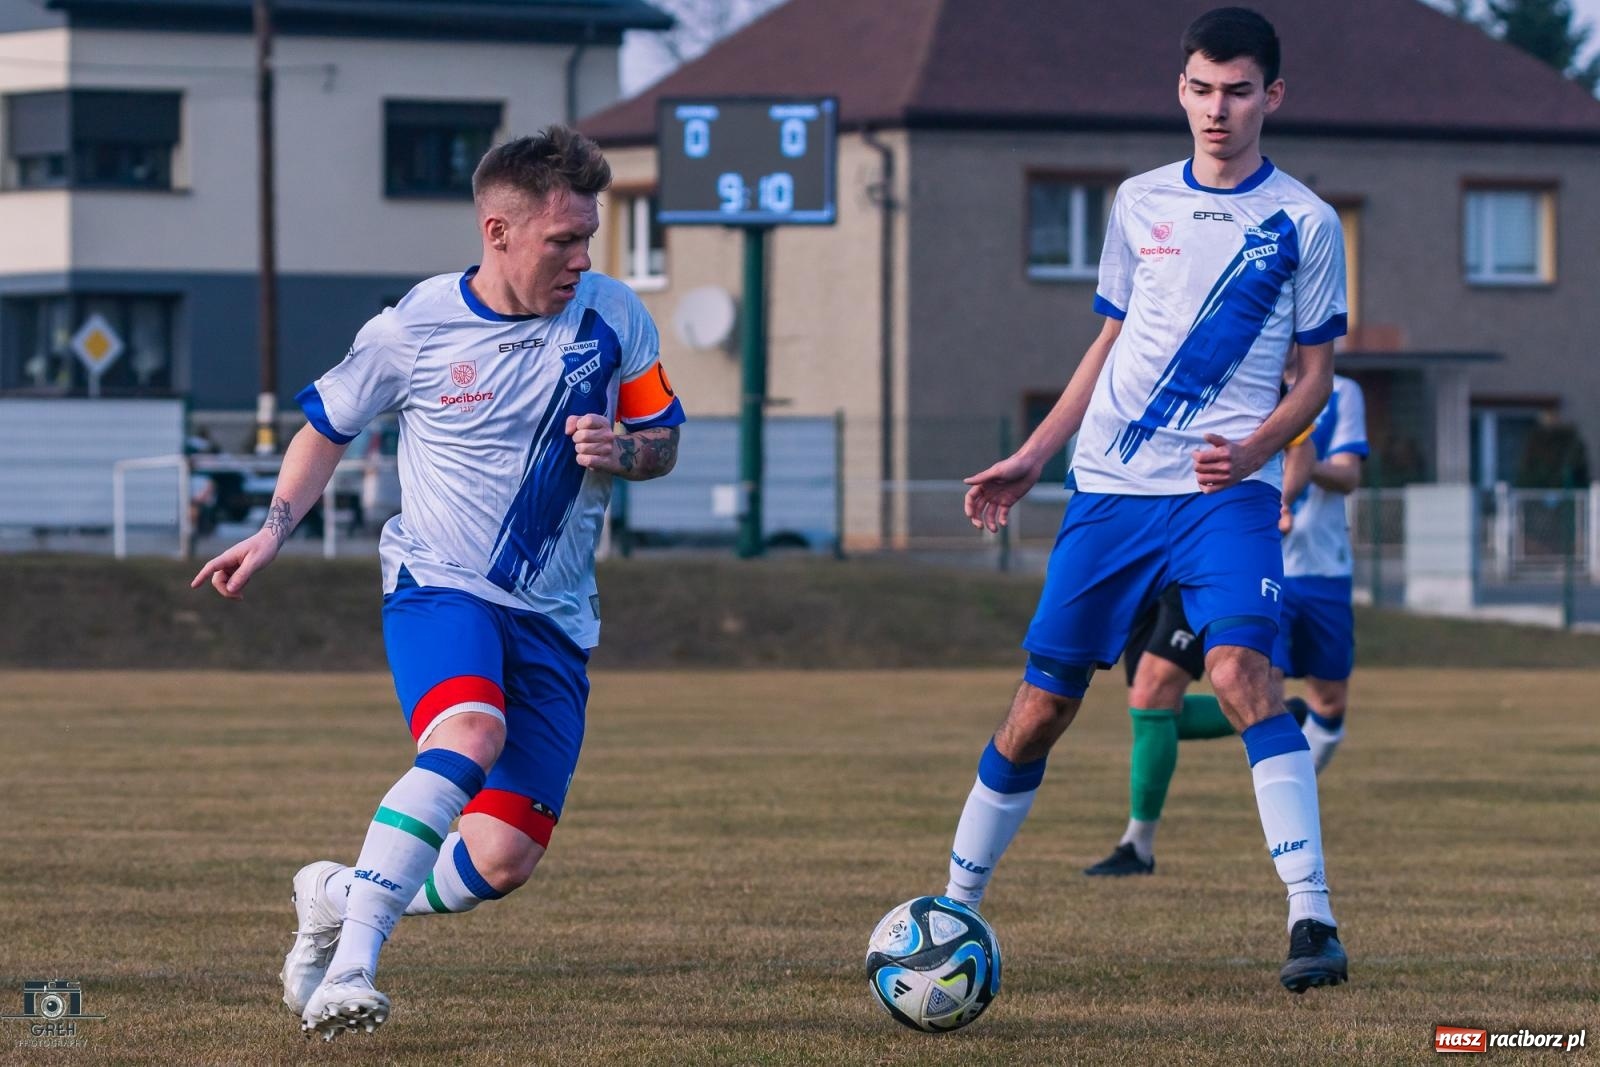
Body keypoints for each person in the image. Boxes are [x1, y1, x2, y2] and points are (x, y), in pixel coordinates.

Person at [192, 126, 685, 1040]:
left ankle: (334, 892)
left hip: (556, 617)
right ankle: (351, 967)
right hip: (441, 584)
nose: (583, 258)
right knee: (470, 730)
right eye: (563, 240)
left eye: (589, 237)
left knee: (499, 859)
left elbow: (663, 440)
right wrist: (270, 530)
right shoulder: (413, 327)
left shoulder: (616, 315)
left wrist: (627, 450)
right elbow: (325, 430)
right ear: (499, 232)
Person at [941, 7, 1350, 993]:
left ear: (1271, 97)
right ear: (1181, 89)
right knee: (1041, 705)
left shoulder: (1306, 221)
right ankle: (952, 907)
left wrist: (1253, 449)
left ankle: (1312, 917)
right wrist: (1034, 453)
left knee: (1243, 672)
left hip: (1225, 496)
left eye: (1238, 91)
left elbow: (1316, 378)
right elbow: (1110, 342)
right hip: (1110, 490)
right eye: (1202, 89)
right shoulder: (1137, 202)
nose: (1218, 109)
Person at [1085, 366, 1367, 876]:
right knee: (1153, 703)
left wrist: (1281, 502)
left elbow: (1301, 446)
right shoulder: (1154, 365)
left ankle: (1142, 845)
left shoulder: (1264, 374)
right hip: (1147, 544)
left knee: (1165, 690)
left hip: (1219, 551)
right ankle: (1278, 719)